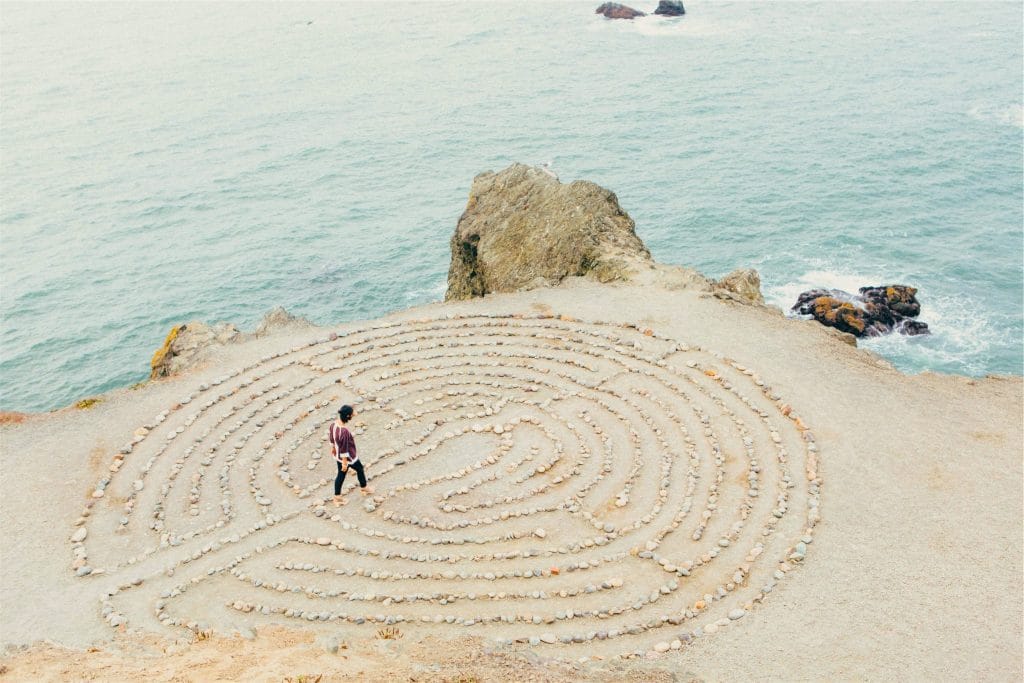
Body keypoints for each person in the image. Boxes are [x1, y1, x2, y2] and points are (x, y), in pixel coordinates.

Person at [328, 404, 372, 506]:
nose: (353, 415)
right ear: (348, 416)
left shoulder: (333, 425)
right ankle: (364, 488)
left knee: (341, 475)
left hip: (338, 455)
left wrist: (333, 448)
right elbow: (344, 448)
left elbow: (331, 437)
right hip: (348, 458)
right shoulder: (344, 432)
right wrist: (344, 463)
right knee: (359, 468)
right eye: (352, 414)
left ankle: (337, 497)